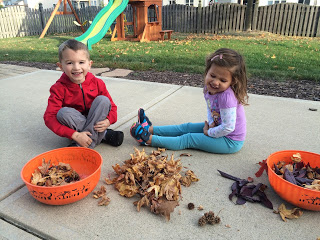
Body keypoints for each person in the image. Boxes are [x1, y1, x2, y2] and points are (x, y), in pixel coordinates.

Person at [130, 48, 248, 154]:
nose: (215, 82)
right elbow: (210, 108)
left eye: (222, 80)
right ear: (207, 72)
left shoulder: (227, 97)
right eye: (212, 75)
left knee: (188, 138)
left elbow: (228, 127)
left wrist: (209, 132)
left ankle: (148, 140)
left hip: (230, 140)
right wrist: (211, 124)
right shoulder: (209, 89)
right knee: (186, 127)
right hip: (218, 128)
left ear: (232, 81)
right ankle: (148, 129)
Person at [44, 39, 123, 148]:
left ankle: (83, 144)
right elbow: (50, 117)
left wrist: (109, 120)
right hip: (75, 123)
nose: (76, 67)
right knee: (63, 113)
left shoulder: (97, 83)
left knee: (103, 100)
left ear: (89, 64)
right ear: (61, 66)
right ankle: (102, 135)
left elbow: (112, 107)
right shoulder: (58, 88)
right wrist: (74, 135)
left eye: (81, 62)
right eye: (69, 63)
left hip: (96, 118)